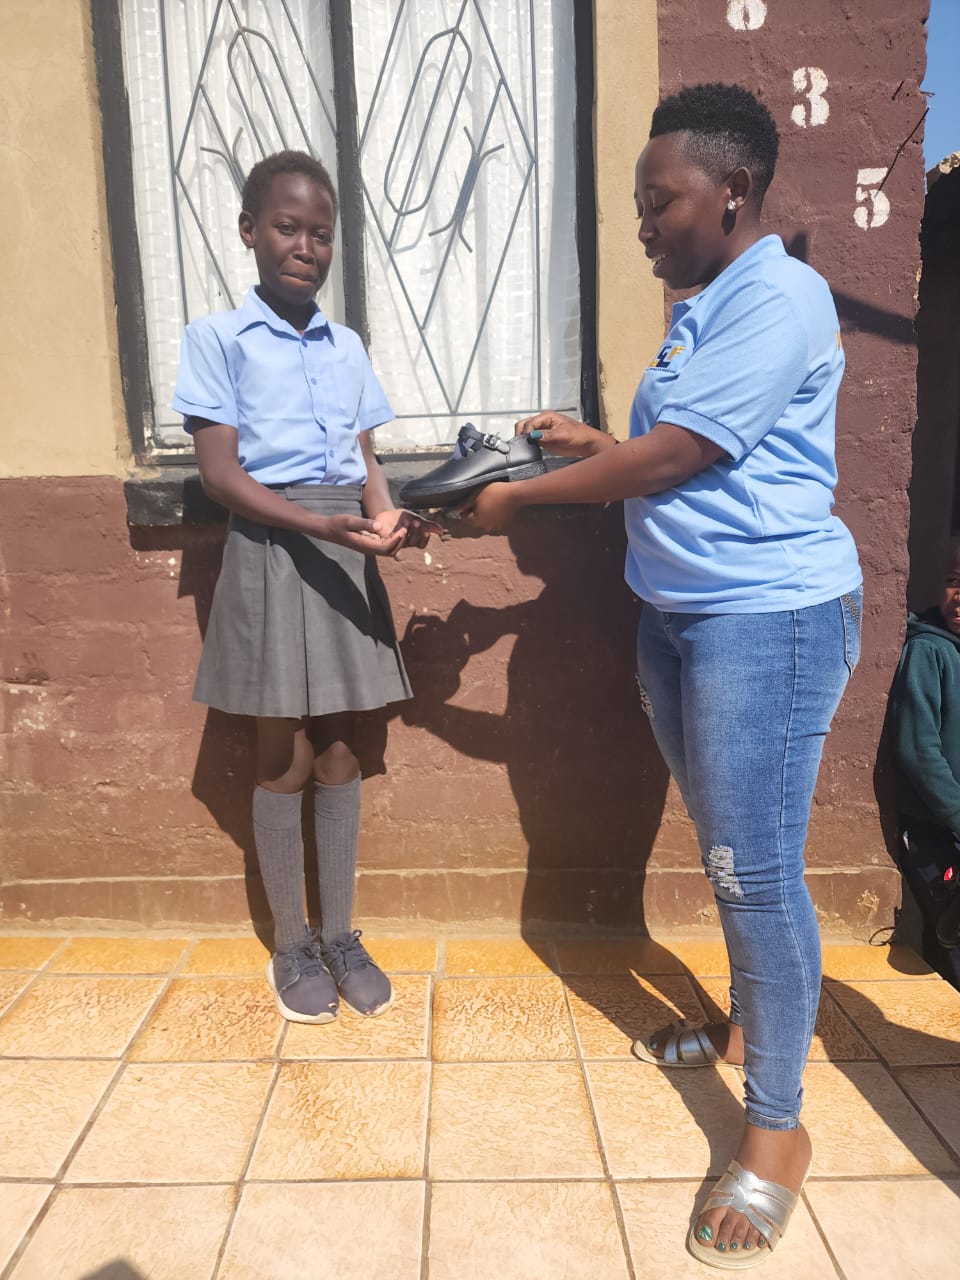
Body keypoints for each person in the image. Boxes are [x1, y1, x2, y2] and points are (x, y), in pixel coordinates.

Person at [462, 83, 862, 1268]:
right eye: (641, 202)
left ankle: (777, 1129)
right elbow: (696, 450)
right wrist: (597, 445)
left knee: (755, 867)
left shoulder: (780, 296)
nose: (643, 221)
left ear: (733, 191)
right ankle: (748, 1025)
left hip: (765, 621)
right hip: (684, 616)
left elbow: (682, 453)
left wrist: (521, 499)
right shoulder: (707, 308)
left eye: (660, 199)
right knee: (733, 850)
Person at [173, 150, 437, 1024]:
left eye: (321, 234)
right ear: (250, 231)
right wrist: (315, 526)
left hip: (343, 546)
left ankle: (341, 933)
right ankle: (292, 943)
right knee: (282, 756)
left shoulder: (346, 345)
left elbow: (364, 461)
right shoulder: (218, 338)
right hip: (272, 546)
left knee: (341, 752)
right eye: (287, 228)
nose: (305, 247)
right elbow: (220, 475)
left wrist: (385, 518)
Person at [889, 544, 960, 989]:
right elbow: (918, 751)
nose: (958, 597)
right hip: (937, 831)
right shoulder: (928, 652)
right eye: (954, 582)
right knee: (951, 937)